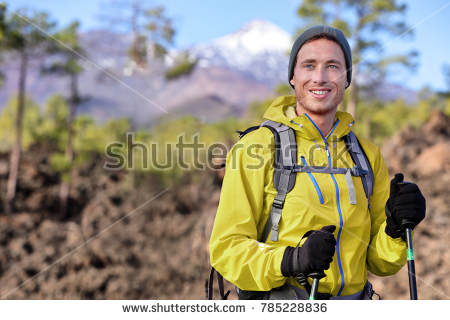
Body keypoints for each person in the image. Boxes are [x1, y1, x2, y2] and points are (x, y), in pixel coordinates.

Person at [209, 26, 426, 300]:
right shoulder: (256, 148)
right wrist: (291, 260)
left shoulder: (367, 155)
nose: (320, 78)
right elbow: (226, 250)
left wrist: (395, 230)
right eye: (309, 66)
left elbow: (379, 263)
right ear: (292, 76)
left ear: (347, 78)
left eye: (333, 66)